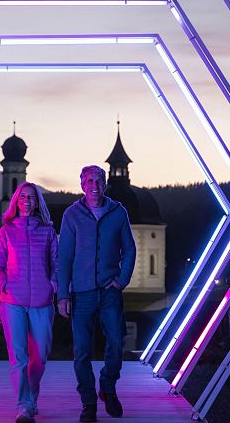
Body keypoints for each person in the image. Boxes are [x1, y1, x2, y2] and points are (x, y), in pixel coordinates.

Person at [57, 165, 136, 422]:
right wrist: (62, 295)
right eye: (90, 181)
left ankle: (108, 387)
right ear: (82, 185)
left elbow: (130, 249)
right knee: (82, 351)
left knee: (116, 341)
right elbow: (64, 257)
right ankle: (88, 402)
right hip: (81, 294)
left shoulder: (118, 212)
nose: (95, 185)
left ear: (105, 184)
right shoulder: (72, 215)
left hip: (110, 291)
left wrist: (122, 280)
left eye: (99, 180)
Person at [0, 182, 58, 423]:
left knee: (39, 356)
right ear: (16, 201)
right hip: (12, 302)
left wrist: (53, 283)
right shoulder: (6, 232)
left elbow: (56, 264)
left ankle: (31, 396)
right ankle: (24, 405)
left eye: (31, 197)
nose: (27, 200)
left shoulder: (48, 231)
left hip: (42, 302)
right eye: (23, 196)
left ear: (37, 202)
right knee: (18, 356)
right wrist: (3, 284)